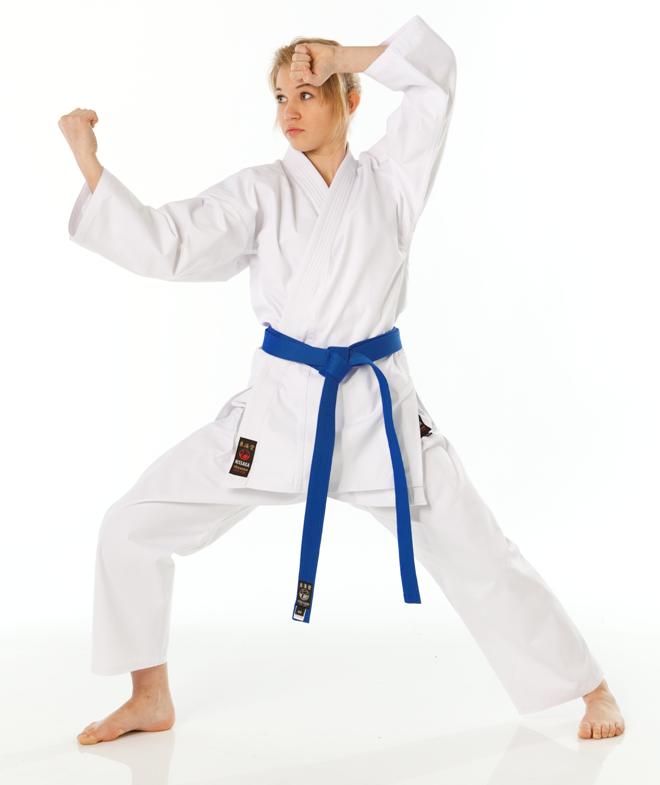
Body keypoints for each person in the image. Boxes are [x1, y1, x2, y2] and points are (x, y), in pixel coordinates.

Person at [58, 14, 625, 745]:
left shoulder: (393, 180)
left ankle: (590, 686)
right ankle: (149, 695)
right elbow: (171, 244)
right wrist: (90, 164)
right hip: (279, 413)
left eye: (308, 92)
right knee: (131, 525)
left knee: (481, 549)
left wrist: (342, 54)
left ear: (350, 100)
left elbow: (435, 83)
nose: (289, 111)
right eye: (280, 97)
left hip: (379, 418)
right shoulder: (261, 192)